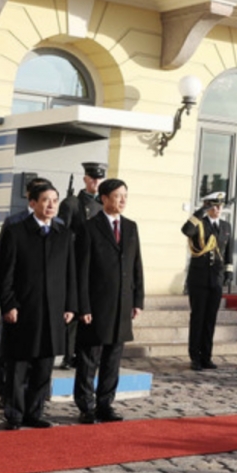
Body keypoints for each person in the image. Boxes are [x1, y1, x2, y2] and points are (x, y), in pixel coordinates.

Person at [0, 184, 76, 430]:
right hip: (23, 310)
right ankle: (14, 414)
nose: (51, 205)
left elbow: (70, 274)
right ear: (32, 203)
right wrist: (9, 304)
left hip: (53, 311)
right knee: (18, 366)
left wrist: (70, 305)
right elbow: (5, 273)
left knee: (44, 365)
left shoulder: (64, 235)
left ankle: (34, 412)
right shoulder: (16, 232)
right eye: (45, 200)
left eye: (55, 200)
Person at [74, 178, 144, 424]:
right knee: (89, 359)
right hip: (96, 306)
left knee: (113, 359)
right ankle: (86, 406)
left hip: (122, 304)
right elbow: (81, 271)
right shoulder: (89, 228)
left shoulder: (131, 227)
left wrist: (138, 300)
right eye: (117, 196)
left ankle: (106, 404)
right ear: (104, 198)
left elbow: (136, 265)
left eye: (125, 195)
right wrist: (83, 306)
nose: (122, 200)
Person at [58, 162, 106, 368]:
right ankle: (69, 354)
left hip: (98, 264)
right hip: (77, 262)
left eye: (99, 178)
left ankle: (86, 353)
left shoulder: (105, 203)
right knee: (74, 310)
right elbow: (63, 234)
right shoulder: (72, 203)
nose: (96, 182)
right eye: (92, 178)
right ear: (85, 179)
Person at [182, 192, 233, 371]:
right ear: (207, 206)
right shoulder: (200, 223)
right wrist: (201, 211)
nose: (217, 209)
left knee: (210, 319)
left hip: (216, 278)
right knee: (198, 318)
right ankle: (195, 357)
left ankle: (206, 356)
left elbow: (228, 252)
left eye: (219, 206)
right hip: (199, 278)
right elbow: (186, 230)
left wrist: (229, 271)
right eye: (213, 206)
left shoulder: (226, 226)